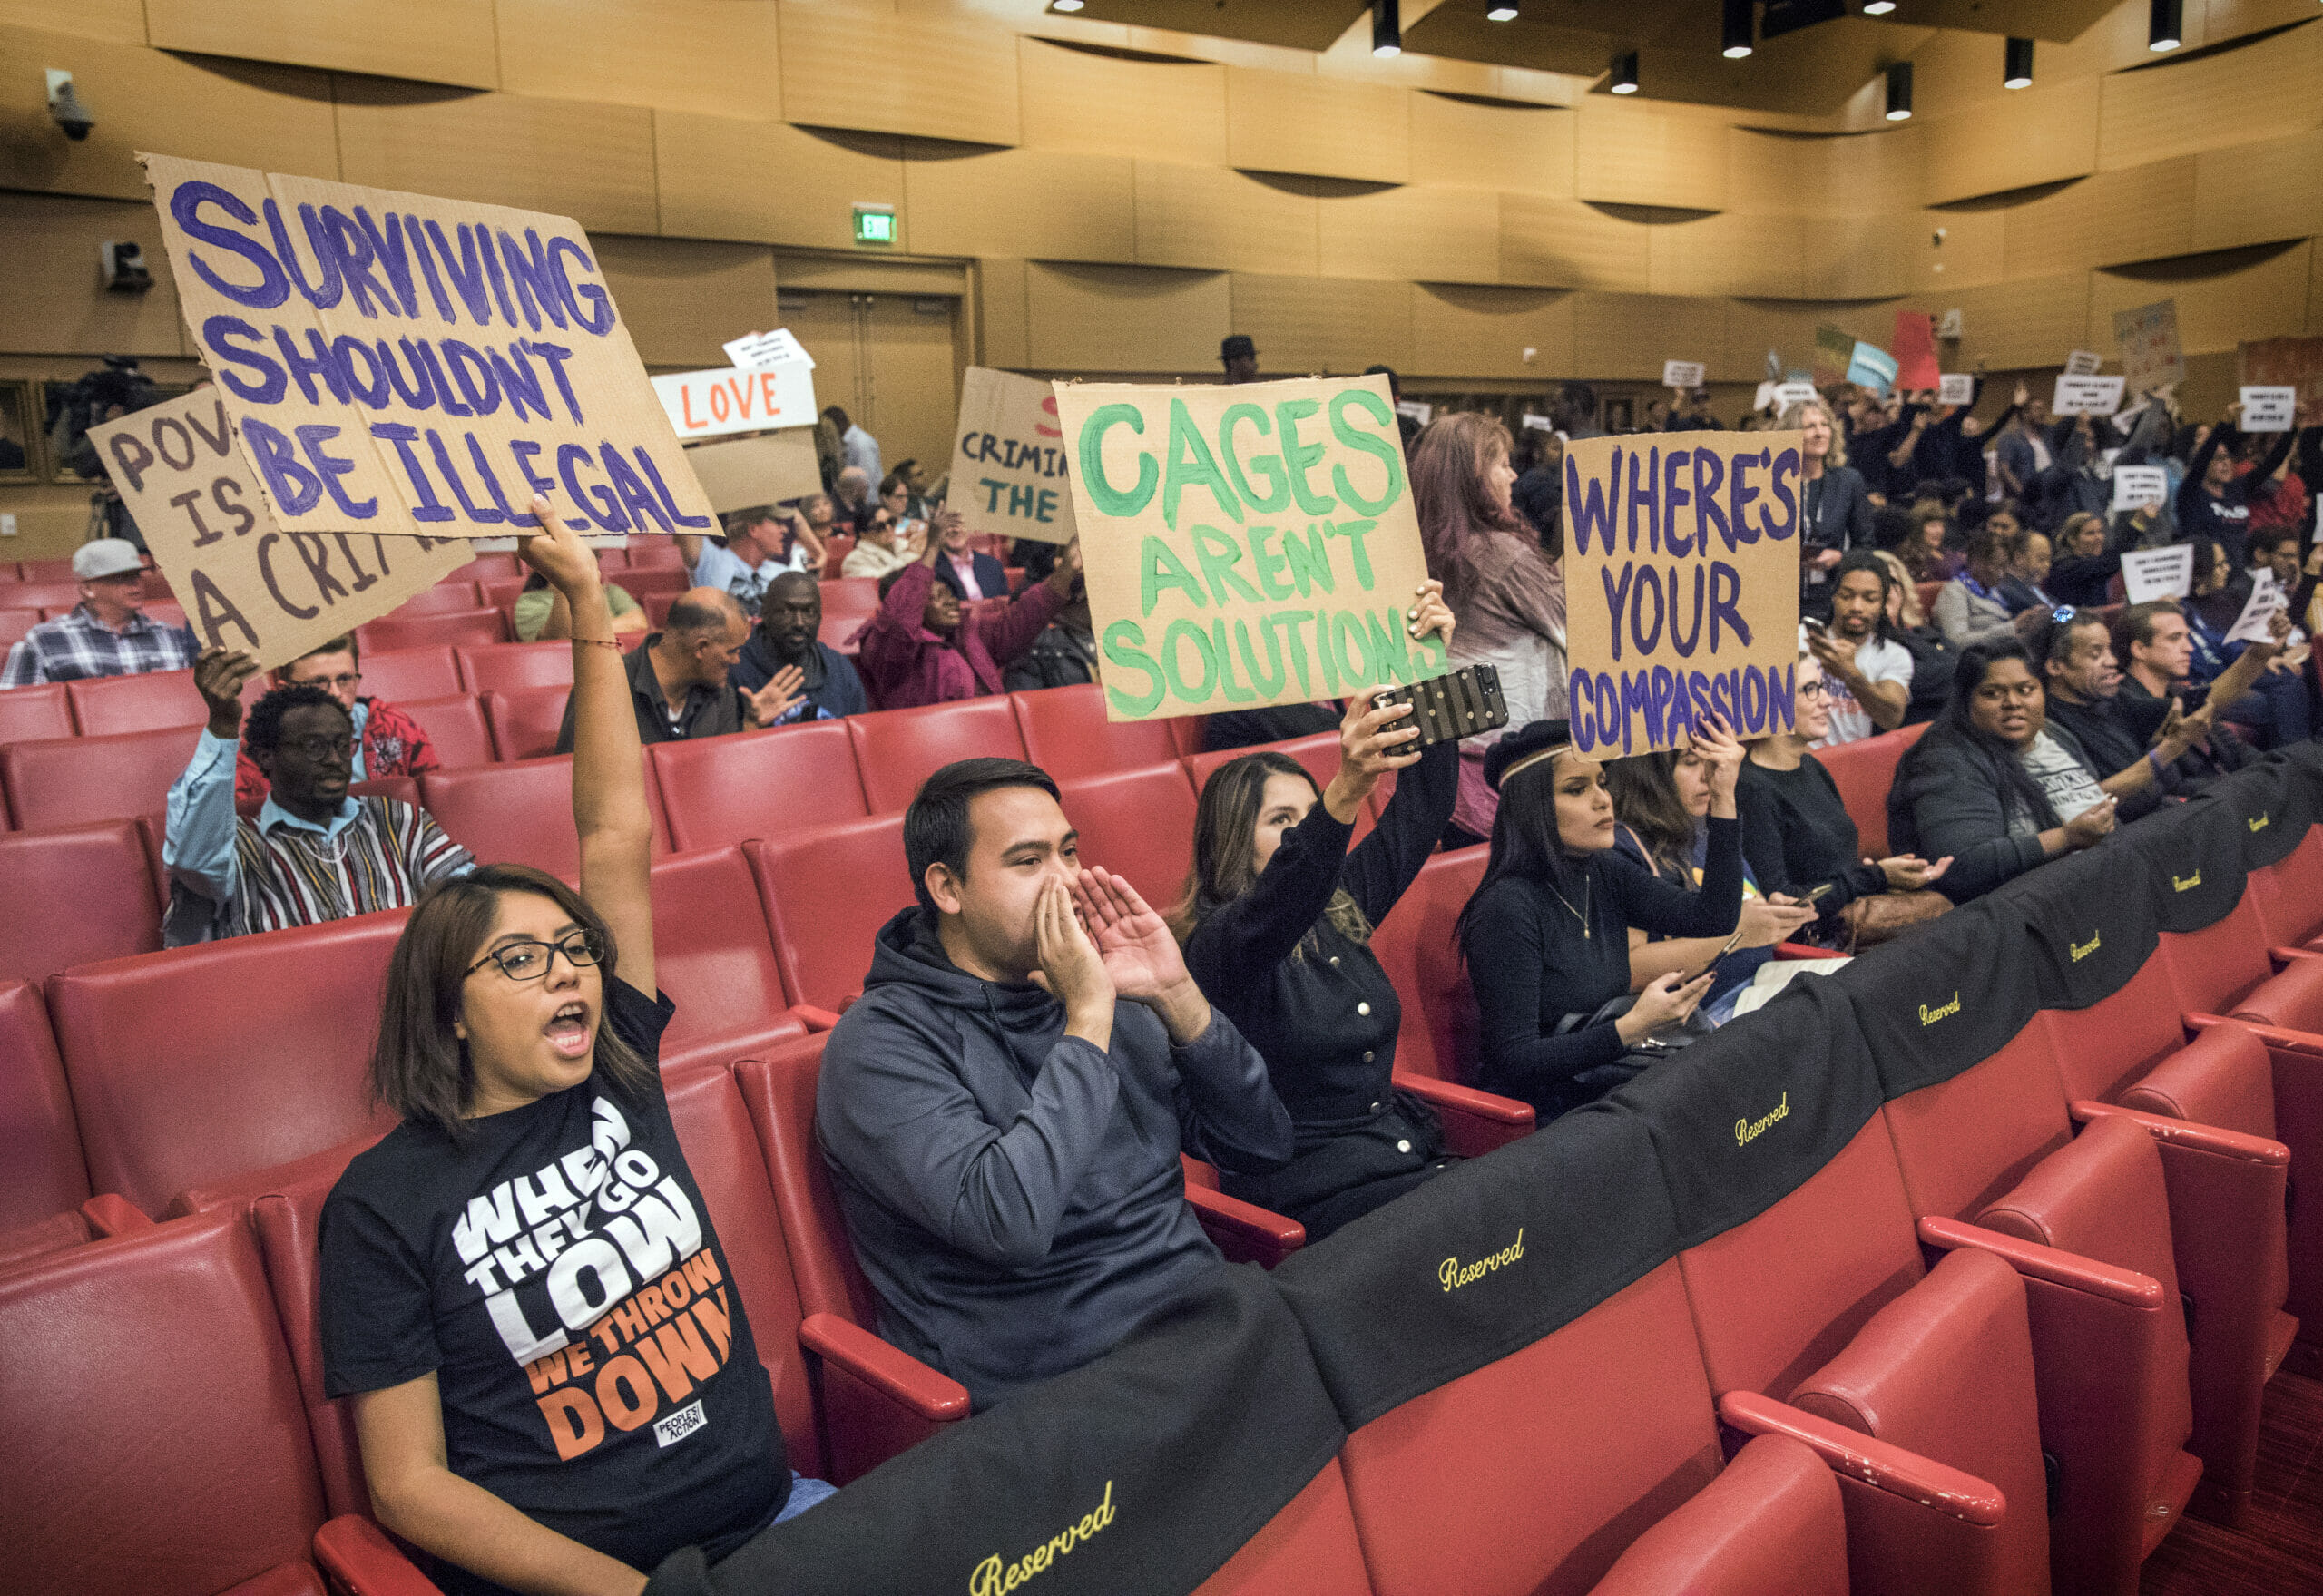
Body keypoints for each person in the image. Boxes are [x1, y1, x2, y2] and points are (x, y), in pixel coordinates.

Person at [319, 497, 831, 1596]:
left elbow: (614, 832)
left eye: (573, 950)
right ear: (448, 1010)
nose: (565, 970)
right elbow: (408, 1487)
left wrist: (592, 609)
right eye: (519, 962)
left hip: (778, 1519)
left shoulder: (620, 1077)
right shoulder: (384, 1202)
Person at [817, 758, 1290, 1411]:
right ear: (947, 887)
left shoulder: (1102, 984)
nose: (1066, 881)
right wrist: (1087, 1018)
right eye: (1028, 861)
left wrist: (1179, 996)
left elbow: (1260, 1146)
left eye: (1069, 851)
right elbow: (1008, 1221)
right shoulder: (880, 1044)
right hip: (1054, 1384)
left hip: (1203, 1321)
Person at [1172, 589, 1459, 1240]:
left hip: (1405, 1162)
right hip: (1320, 1203)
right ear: (1230, 839)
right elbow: (1279, 904)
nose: (1308, 831)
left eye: (1313, 810)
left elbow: (1424, 809)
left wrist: (1426, 666)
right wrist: (1344, 792)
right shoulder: (1221, 944)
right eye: (1283, 820)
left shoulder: (1339, 908)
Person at [1456, 715, 1747, 1120]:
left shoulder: (1602, 869)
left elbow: (1713, 917)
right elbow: (1516, 1060)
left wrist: (1724, 798)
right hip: (1554, 1110)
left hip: (1613, 1083)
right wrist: (1634, 1026)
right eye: (1577, 789)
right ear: (1533, 808)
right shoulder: (1506, 907)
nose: (1602, 799)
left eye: (1602, 783)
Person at [164, 660, 473, 945]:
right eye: (314, 746)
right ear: (266, 756)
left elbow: (472, 898)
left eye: (342, 745)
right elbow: (195, 862)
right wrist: (222, 726)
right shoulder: (238, 845)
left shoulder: (397, 819)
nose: (335, 760)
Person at [1414, 412, 1568, 846]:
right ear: (1473, 477)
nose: (1514, 476)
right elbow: (1577, 630)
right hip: (1511, 766)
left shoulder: (1421, 545)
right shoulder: (1501, 554)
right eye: (1501, 464)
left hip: (1451, 765)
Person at [1739, 651, 1951, 949]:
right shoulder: (1750, 788)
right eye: (1810, 690)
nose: (1826, 700)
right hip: (1814, 939)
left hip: (1852, 914)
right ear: (1771, 702)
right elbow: (1784, 902)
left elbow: (1840, 869)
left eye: (1822, 687)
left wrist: (1886, 874)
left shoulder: (1811, 766)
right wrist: (1877, 876)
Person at [1885, 639, 2118, 905]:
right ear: (1966, 701)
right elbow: (1961, 866)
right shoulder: (1944, 760)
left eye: (2026, 689)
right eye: (1992, 693)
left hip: (2087, 887)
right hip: (2008, 912)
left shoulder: (2053, 734)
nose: (2013, 703)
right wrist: (2066, 837)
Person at [1607, 746, 1818, 1022]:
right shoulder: (1623, 847)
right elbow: (1631, 970)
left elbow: (1749, 915)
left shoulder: (1704, 827)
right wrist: (1737, 932)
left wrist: (1774, 920)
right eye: (1691, 763)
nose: (1709, 777)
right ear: (1647, 775)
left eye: (1713, 764)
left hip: (1761, 982)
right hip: (1704, 1012)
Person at [854, 528, 1080, 710]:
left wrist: (1067, 571)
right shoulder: (889, 653)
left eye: (948, 593)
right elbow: (901, 624)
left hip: (990, 734)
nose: (951, 601)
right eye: (935, 597)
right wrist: (932, 547)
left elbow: (1021, 619)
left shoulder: (967, 632)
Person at [554, 590, 799, 753]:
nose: (737, 661)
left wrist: (751, 726)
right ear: (701, 647)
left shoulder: (721, 694)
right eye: (732, 651)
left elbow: (726, 778)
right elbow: (568, 778)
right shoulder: (603, 688)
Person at [2032, 609, 2220, 807]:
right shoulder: (2047, 729)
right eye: (2096, 655)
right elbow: (2088, 803)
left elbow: (2175, 707)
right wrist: (2171, 748)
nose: (2112, 661)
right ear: (2055, 666)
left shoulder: (2115, 698)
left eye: (2109, 650)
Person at [234, 635, 443, 810]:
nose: (335, 693)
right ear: (286, 690)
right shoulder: (256, 750)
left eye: (344, 679)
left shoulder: (397, 728)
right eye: (318, 682)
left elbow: (436, 805)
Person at [1, 537, 197, 688]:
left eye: (136, 575)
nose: (135, 584)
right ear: (88, 589)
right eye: (121, 577)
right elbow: (16, 713)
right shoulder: (44, 640)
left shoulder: (171, 636)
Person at [730, 571, 868, 722]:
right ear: (765, 613)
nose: (799, 623)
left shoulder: (840, 668)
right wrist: (750, 727)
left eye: (809, 612)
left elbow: (858, 734)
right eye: (786, 611)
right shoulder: (735, 669)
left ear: (820, 616)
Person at [1782, 397, 1873, 620]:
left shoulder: (1848, 481)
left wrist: (1840, 558)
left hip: (1830, 597)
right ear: (1790, 434)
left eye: (1824, 425)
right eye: (1810, 427)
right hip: (1780, 597)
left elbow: (1866, 545)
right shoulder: (1775, 484)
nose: (1819, 433)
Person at [1808, 551, 1912, 747]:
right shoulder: (1801, 640)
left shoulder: (1894, 656)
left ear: (1882, 604)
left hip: (1852, 761)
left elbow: (1891, 718)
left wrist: (1848, 672)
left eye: (1870, 599)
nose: (1856, 606)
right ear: (1833, 596)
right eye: (1847, 596)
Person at [2179, 406, 2293, 569]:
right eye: (2218, 459)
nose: (2225, 463)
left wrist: (2292, 427)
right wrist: (2224, 422)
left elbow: (2273, 462)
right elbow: (2202, 460)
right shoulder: (2191, 493)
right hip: (2208, 574)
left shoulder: (2237, 488)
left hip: (2241, 574)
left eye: (2227, 457)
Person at [1870, 547, 1956, 723]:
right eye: (1877, 582)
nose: (1886, 589)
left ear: (1902, 590)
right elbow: (1917, 679)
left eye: (1891, 581)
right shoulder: (1866, 645)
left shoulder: (1921, 632)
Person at [678, 510, 809, 618]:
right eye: (776, 523)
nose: (784, 530)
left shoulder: (780, 572)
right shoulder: (713, 560)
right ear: (753, 529)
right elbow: (686, 519)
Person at [1932, 519, 2024, 650]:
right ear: (1977, 562)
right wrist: (2011, 628)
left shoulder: (1994, 591)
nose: (2001, 574)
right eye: (1997, 567)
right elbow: (1955, 641)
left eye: (2004, 568)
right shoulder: (1954, 591)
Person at [514, 565, 646, 643]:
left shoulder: (611, 591)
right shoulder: (529, 602)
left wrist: (584, 632)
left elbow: (638, 622)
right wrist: (564, 580)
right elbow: (564, 636)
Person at [929, 508, 1007, 603]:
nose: (954, 530)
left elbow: (1006, 608)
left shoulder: (993, 565)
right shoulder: (930, 570)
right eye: (947, 524)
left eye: (958, 523)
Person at [2045, 512, 2119, 610]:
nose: (2099, 538)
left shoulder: (2090, 560)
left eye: (2100, 531)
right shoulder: (2066, 566)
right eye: (2090, 533)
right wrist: (2136, 522)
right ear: (2072, 540)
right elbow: (2110, 564)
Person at [838, 502, 922, 580]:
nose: (889, 528)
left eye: (891, 522)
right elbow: (880, 583)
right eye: (880, 526)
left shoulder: (904, 544)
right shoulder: (853, 561)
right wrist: (909, 557)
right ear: (863, 534)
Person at [825, 406, 880, 485]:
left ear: (839, 424)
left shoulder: (862, 443)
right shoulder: (846, 443)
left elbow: (866, 481)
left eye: (828, 430)